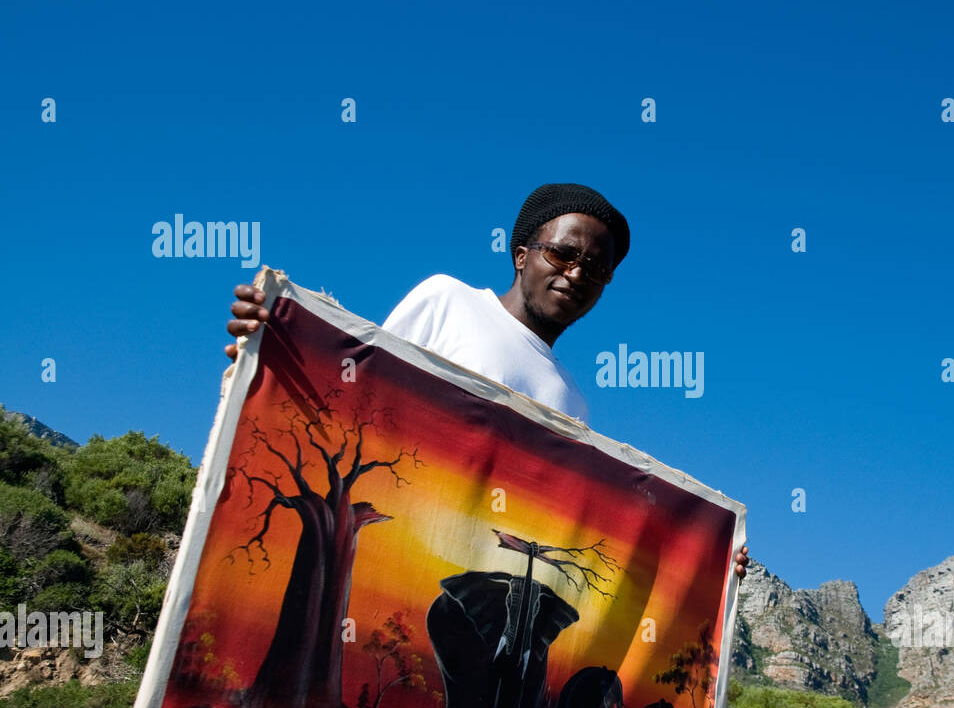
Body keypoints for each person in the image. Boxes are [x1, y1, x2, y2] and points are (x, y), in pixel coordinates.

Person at [225, 182, 748, 581]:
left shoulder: (573, 403)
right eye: (563, 254)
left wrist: (708, 564)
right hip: (384, 556)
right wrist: (277, 348)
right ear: (522, 254)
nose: (577, 274)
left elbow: (566, 522)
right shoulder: (447, 300)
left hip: (471, 579)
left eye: (597, 268)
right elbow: (356, 401)